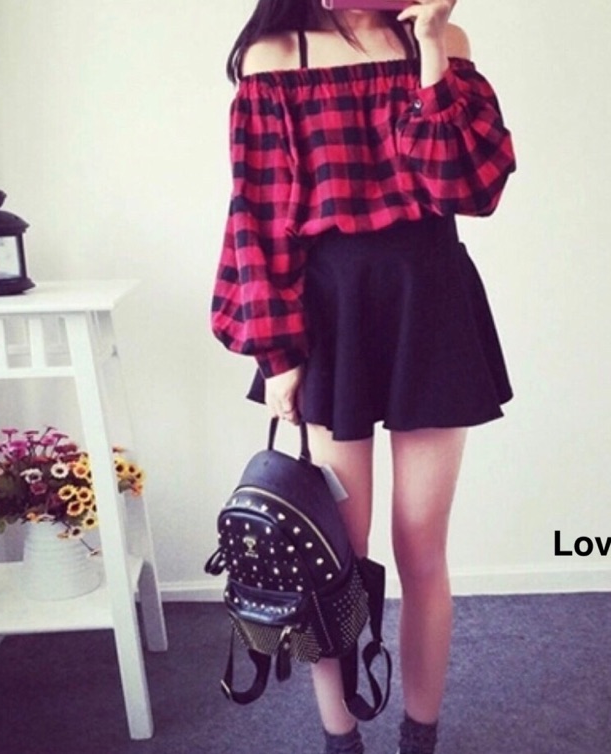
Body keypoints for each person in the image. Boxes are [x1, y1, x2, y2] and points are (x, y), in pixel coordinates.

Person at [211, 1, 516, 752]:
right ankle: (340, 738)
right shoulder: (276, 56)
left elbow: (471, 189)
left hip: (431, 302)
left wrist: (432, 48)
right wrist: (277, 354)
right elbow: (256, 216)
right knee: (332, 560)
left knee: (421, 549)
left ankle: (420, 737)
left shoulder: (441, 43)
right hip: (330, 313)